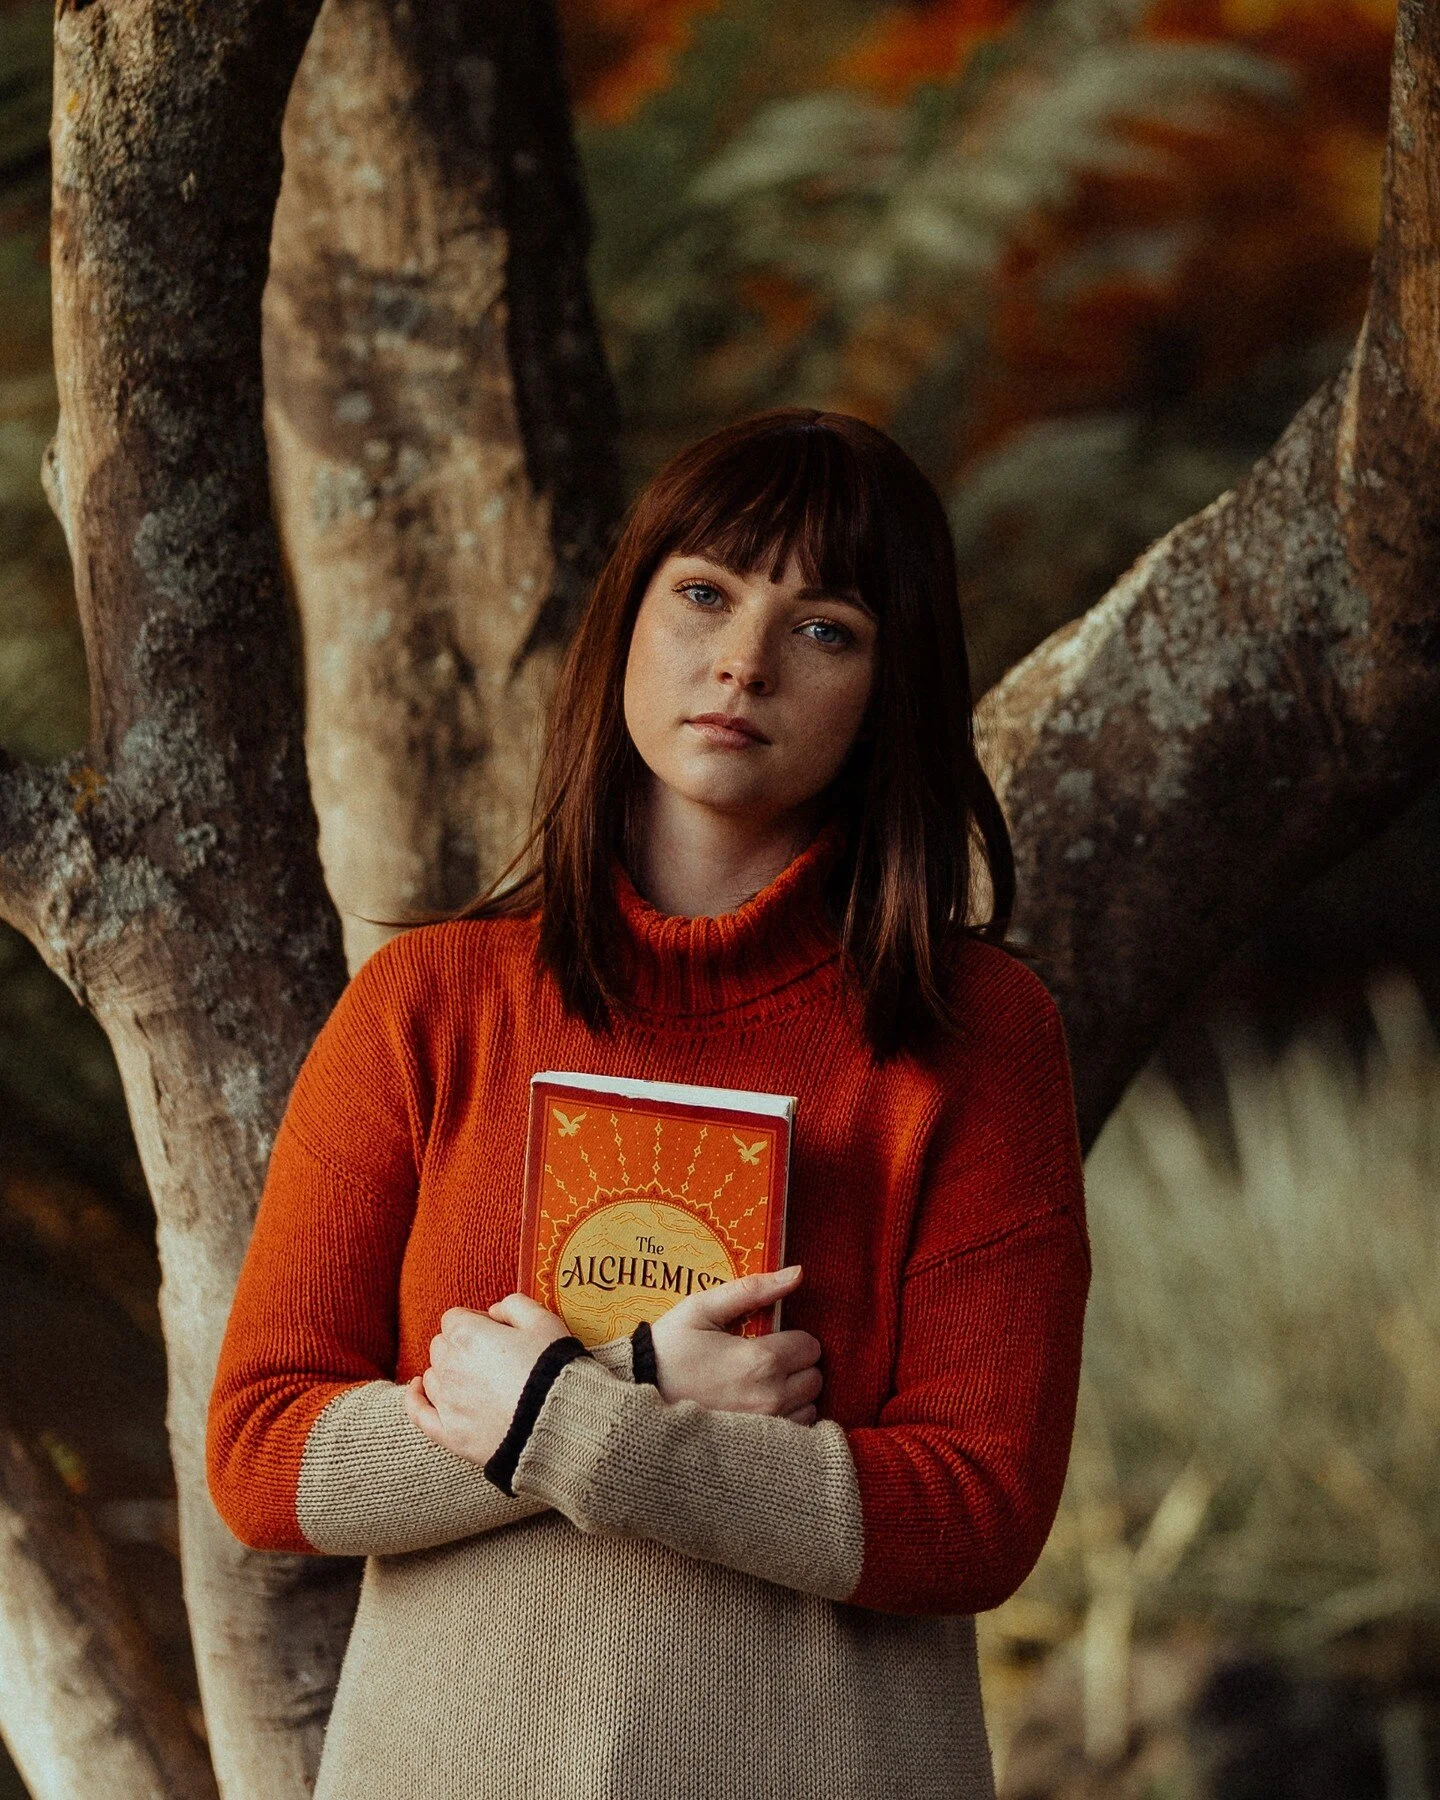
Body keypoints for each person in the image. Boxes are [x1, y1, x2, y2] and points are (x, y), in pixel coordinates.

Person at [205, 408, 1090, 1800]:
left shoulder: (975, 1038)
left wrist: (571, 1426)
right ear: (629, 619)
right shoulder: (430, 1006)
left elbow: (978, 1517)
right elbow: (264, 1459)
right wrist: (642, 1383)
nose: (743, 656)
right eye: (705, 592)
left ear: (890, 686)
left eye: (827, 627)